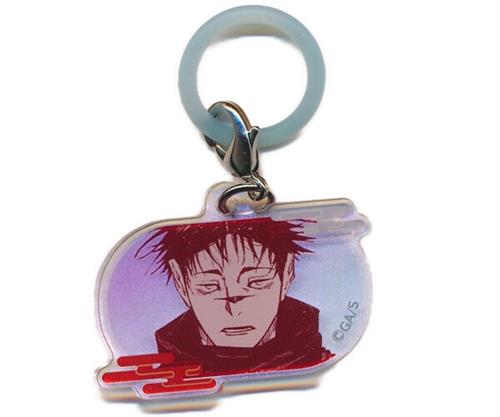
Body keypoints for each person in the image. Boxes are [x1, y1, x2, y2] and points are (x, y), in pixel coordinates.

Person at [136, 217, 332, 375]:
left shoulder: (318, 358)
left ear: (287, 272)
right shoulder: (171, 363)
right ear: (180, 281)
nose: (234, 309)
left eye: (256, 282)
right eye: (210, 286)